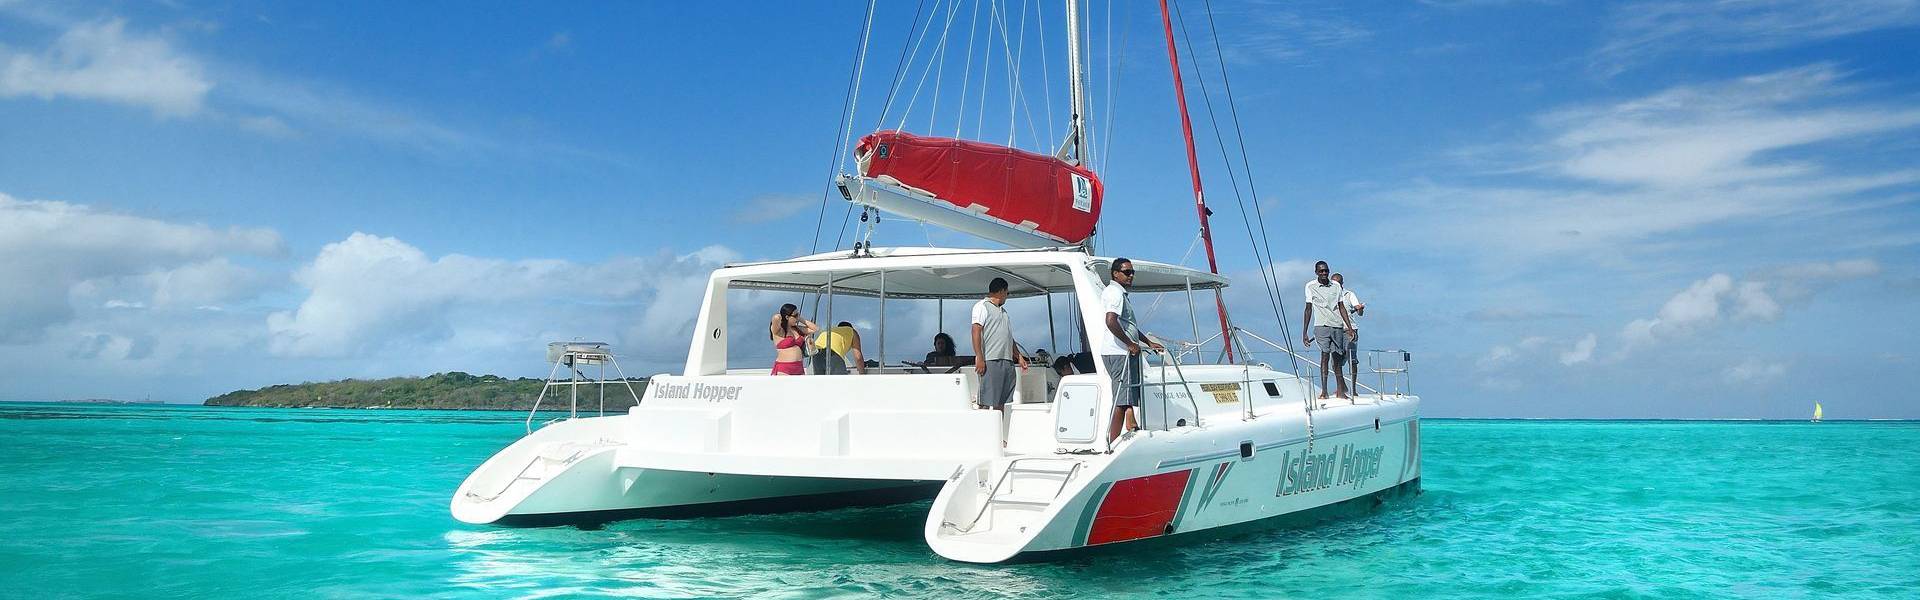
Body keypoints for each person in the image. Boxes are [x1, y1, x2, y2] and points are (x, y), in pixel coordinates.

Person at [1100, 258, 1162, 445]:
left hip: (1120, 351)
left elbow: (1129, 325)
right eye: (1127, 272)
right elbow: (1111, 321)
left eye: (1132, 272)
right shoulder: (1115, 293)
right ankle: (1112, 444)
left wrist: (1147, 342)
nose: (1131, 275)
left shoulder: (1119, 293)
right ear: (1115, 274)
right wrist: (1130, 344)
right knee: (1121, 399)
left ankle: (1130, 423)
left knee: (1125, 396)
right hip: (1119, 352)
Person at [1300, 261, 1356, 399]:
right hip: (1321, 326)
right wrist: (1304, 332)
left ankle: (1340, 391)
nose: (1324, 273)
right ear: (1316, 272)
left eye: (1326, 271)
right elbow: (1308, 309)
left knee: (1337, 359)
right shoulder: (1310, 286)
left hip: (1336, 325)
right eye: (1321, 271)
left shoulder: (1336, 286)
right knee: (1324, 355)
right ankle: (1324, 391)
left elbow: (1341, 307)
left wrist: (1349, 328)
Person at [971, 277, 1028, 410]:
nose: (1007, 297)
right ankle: (983, 428)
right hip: (991, 360)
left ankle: (999, 427)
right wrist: (979, 357)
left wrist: (1019, 356)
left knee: (1001, 400)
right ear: (1001, 291)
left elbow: (1008, 337)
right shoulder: (982, 306)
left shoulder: (1004, 312)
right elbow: (976, 331)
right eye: (1007, 293)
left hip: (1007, 361)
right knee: (987, 399)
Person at [1331, 272, 1365, 392]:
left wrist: (1360, 309)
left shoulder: (1349, 294)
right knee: (1335, 362)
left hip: (1349, 330)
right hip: (1335, 331)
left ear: (1342, 284)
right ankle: (1342, 387)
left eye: (1338, 283)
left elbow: (1359, 312)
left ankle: (1354, 389)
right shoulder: (1329, 294)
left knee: (1352, 359)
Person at [769, 303, 817, 376]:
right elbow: (776, 318)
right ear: (787, 317)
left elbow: (815, 329)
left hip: (799, 367)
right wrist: (782, 314)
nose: (797, 318)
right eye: (795, 316)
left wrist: (799, 318)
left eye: (798, 315)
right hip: (784, 367)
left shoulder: (797, 329)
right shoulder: (779, 331)